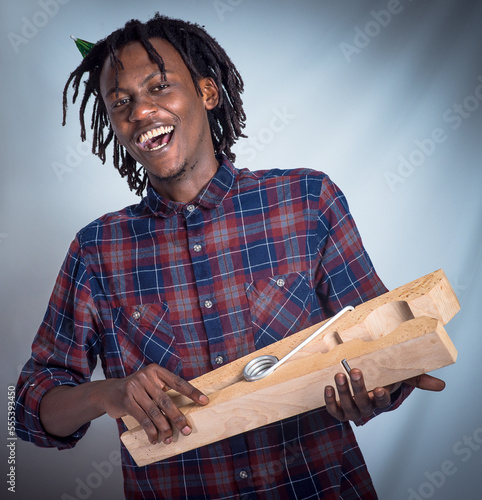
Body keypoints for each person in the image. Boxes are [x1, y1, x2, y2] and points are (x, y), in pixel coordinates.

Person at [15, 13, 444, 500]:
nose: (140, 112)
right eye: (121, 102)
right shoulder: (97, 250)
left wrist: (379, 391)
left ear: (207, 93)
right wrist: (105, 393)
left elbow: (383, 340)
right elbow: (26, 412)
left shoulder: (306, 201)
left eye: (159, 87)